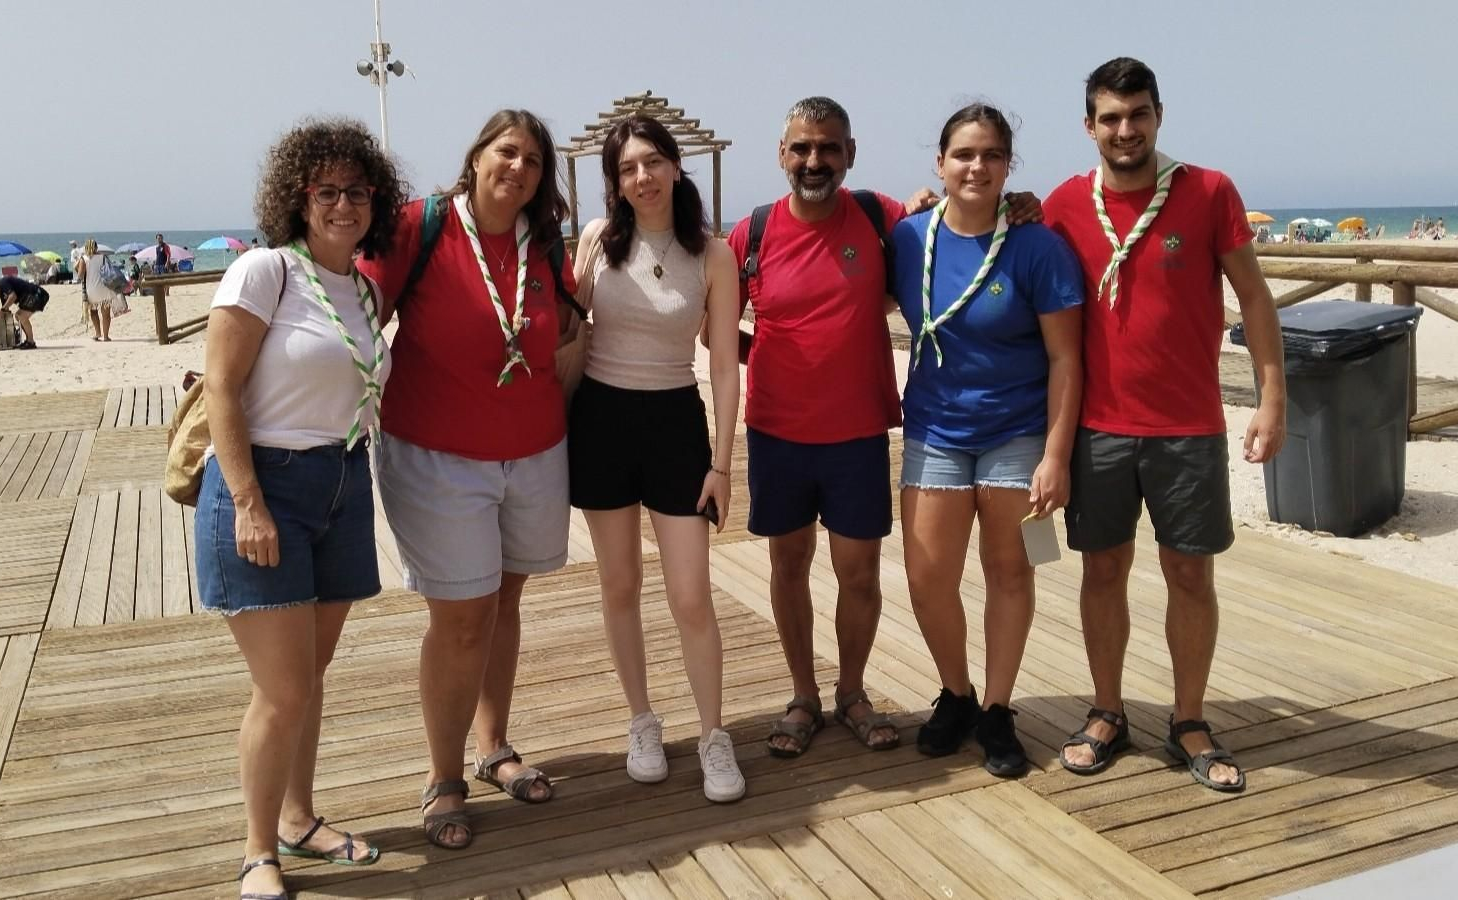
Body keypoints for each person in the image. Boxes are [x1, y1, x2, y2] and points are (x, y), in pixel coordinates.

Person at [724, 97, 1040, 759]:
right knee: (788, 567)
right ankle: (804, 695)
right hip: (777, 432)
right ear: (782, 155)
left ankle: (852, 693)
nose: (815, 160)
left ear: (850, 154)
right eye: (802, 148)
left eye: (829, 148)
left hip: (861, 432)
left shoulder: (880, 219)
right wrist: (784, 357)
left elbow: (957, 229)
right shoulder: (749, 233)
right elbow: (718, 330)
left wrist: (1025, 206)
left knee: (859, 574)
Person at [1043, 57, 1286, 793]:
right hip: (1098, 428)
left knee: (1189, 572)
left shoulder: (1208, 191)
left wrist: (1272, 397)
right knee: (1103, 570)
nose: (1125, 129)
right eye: (1110, 118)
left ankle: (1188, 720)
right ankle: (1108, 712)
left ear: (1158, 116)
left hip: (1189, 426)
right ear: (1089, 126)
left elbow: (1255, 297)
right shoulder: (1060, 204)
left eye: (1137, 113)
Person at [196, 117, 403, 900]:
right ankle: (257, 852)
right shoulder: (263, 273)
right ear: (299, 196)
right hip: (264, 487)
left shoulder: (365, 287)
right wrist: (248, 501)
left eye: (357, 191)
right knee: (282, 690)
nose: (343, 204)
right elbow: (220, 386)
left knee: (308, 681)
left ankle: (299, 820)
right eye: (327, 191)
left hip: (343, 483)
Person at [358, 109, 575, 851]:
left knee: (503, 601)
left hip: (536, 453)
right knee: (459, 617)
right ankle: (443, 776)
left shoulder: (545, 244)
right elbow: (351, 325)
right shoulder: (418, 227)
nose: (518, 168)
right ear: (476, 156)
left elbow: (569, 336)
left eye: (533, 161)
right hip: (437, 457)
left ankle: (494, 747)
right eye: (505, 152)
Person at [890, 104, 1085, 777]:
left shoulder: (1038, 246)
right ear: (940, 164)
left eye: (991, 156)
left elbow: (1066, 358)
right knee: (927, 577)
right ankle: (957, 692)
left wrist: (1056, 454)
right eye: (963, 155)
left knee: (1012, 571)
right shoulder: (908, 238)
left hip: (1017, 436)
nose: (977, 167)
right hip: (935, 432)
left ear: (1008, 166)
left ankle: (999, 710)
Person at [568, 115, 745, 802]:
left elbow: (725, 366)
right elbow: (566, 331)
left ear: (676, 167)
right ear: (615, 182)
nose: (641, 177)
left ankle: (712, 734)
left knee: (690, 595)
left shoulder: (713, 253)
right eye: (627, 169)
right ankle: (641, 720)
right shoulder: (596, 240)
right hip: (601, 420)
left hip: (676, 422)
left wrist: (723, 464)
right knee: (619, 586)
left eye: (652, 162)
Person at [0, 271, 49, 348]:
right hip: (33, 296)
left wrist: (2, 310)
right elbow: (6, 309)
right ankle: (28, 340)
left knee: (20, 316)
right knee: (18, 316)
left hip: (37, 294)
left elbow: (12, 296)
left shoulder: (3, 282)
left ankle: (30, 342)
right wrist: (0, 314)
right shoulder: (2, 293)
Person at [79, 238, 118, 341]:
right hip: (104, 288)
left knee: (93, 311)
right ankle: (106, 336)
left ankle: (97, 333)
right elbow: (109, 270)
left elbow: (80, 275)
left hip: (91, 289)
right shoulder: (103, 257)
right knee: (106, 313)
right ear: (96, 247)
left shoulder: (84, 258)